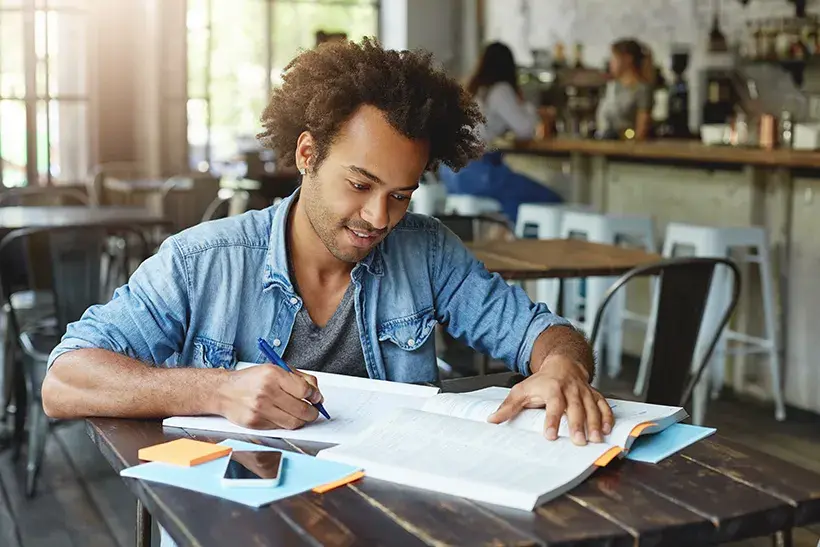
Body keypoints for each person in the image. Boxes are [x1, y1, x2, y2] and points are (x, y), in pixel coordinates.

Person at [42, 38, 613, 448]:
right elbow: (64, 380)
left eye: (401, 194)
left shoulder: (427, 251)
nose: (378, 217)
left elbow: (542, 332)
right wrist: (216, 390)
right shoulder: (203, 261)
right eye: (360, 185)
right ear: (306, 155)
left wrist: (564, 366)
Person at [437, 41, 563, 224]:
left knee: (511, 198)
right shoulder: (500, 91)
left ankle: (510, 237)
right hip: (476, 174)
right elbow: (525, 129)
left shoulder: (471, 89)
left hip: (450, 175)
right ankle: (523, 241)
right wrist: (527, 106)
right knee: (551, 200)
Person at [596, 38, 655, 140]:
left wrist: (628, 138)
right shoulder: (611, 86)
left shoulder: (642, 89)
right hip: (604, 143)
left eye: (614, 58)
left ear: (627, 59)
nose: (611, 63)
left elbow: (641, 130)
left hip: (625, 148)